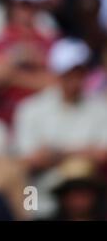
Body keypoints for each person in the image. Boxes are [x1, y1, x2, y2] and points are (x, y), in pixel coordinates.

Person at [14, 38, 107, 217]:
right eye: (68, 73)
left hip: (89, 196)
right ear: (57, 73)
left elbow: (103, 155)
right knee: (29, 197)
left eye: (78, 73)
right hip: (43, 195)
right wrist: (83, 151)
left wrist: (57, 153)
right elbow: (29, 159)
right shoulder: (31, 108)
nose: (74, 79)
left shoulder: (100, 108)